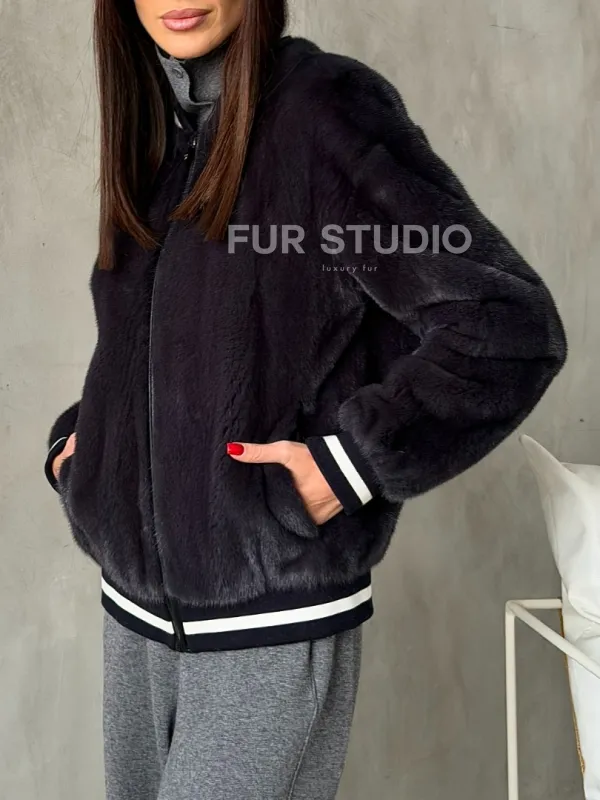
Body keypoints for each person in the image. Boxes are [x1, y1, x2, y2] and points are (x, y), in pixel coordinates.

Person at [43, 1, 567, 798]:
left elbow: (506, 323)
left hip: (269, 621)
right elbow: (148, 349)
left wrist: (348, 467)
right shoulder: (160, 131)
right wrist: (87, 452)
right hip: (134, 623)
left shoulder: (326, 115)